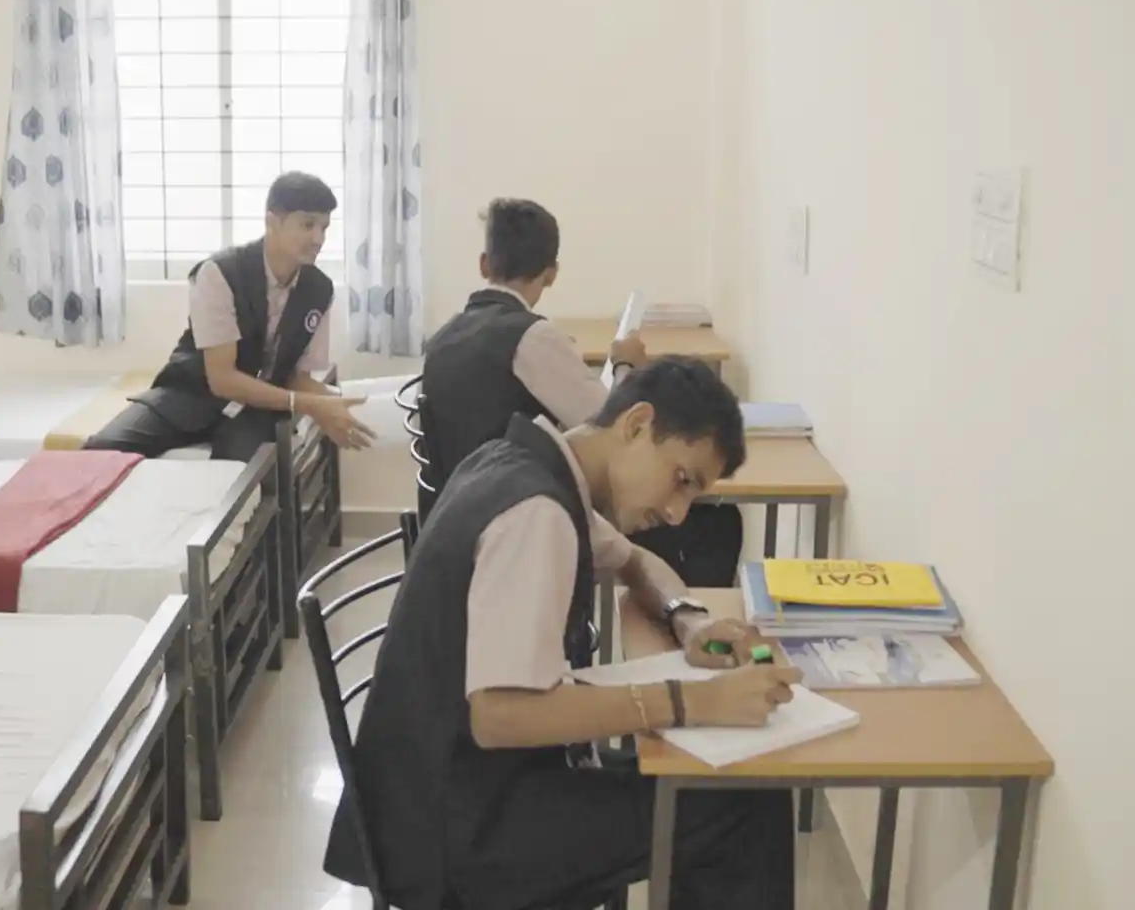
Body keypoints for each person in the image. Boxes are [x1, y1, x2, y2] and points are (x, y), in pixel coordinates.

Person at [325, 358, 797, 910]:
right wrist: (691, 701)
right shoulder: (537, 513)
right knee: (742, 805)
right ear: (637, 425)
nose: (677, 513)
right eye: (682, 480)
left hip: (435, 795)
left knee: (710, 789)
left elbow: (634, 561)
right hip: (460, 835)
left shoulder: (519, 462)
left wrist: (689, 620)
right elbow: (499, 715)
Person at [417, 198, 745, 586]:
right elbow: (606, 422)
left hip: (462, 507)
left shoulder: (443, 336)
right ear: (551, 273)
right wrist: (625, 365)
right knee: (719, 522)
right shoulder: (531, 337)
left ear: (484, 264)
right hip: (518, 511)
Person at [84, 171, 374, 460]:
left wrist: (341, 403)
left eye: (324, 227)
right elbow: (222, 379)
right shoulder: (220, 272)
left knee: (241, 473)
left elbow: (298, 378)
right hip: (190, 393)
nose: (318, 239)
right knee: (98, 452)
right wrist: (309, 404)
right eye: (307, 225)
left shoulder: (319, 290)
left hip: (259, 407)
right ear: (273, 221)